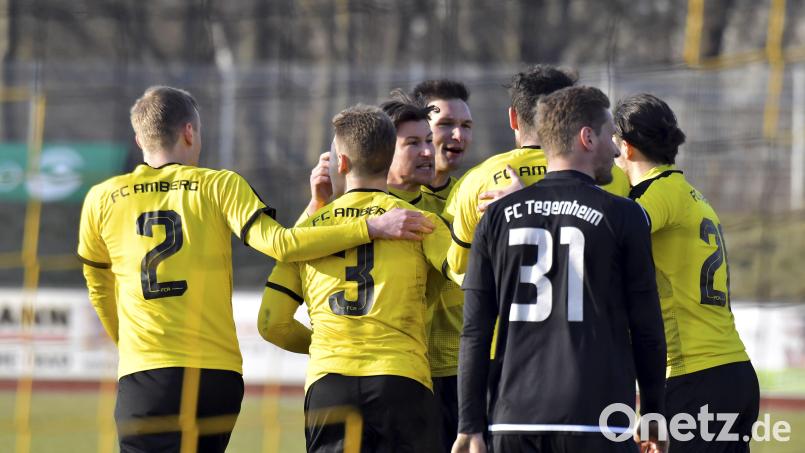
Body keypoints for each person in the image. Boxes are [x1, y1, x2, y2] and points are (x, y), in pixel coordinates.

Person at [77, 86, 433, 453]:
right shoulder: (219, 185)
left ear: (139, 139)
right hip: (216, 378)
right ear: (189, 132)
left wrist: (130, 348)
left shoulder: (102, 198)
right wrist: (371, 226)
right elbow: (282, 244)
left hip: (147, 373)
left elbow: (99, 288)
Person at [453, 86, 667, 453]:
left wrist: (470, 425)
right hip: (597, 421)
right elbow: (647, 328)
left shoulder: (496, 218)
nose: (617, 149)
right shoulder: (624, 216)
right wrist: (653, 416)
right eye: (609, 135)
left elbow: (474, 330)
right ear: (587, 137)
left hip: (513, 419)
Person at [258, 105, 455, 453]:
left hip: (330, 384)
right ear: (391, 154)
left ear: (343, 163)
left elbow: (272, 323)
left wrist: (327, 346)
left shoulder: (308, 232)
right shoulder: (419, 223)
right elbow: (464, 272)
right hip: (401, 376)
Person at [613, 93, 759, 452]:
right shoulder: (690, 194)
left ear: (627, 149)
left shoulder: (659, 193)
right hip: (732, 372)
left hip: (695, 377)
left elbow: (618, 233)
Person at [444, 65, 631, 276]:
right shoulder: (612, 177)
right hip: (592, 306)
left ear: (513, 118)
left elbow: (459, 266)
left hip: (510, 308)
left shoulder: (475, 182)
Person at [380, 96, 466, 452]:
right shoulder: (346, 213)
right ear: (380, 149)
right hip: (383, 376)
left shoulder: (446, 211)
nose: (428, 152)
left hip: (449, 374)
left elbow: (467, 274)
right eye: (413, 143)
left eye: (428, 141)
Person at [412, 79, 474, 200]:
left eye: (466, 125)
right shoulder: (383, 198)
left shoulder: (470, 198)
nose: (459, 135)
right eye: (445, 124)